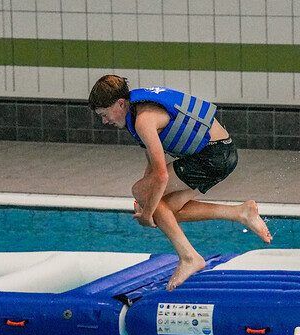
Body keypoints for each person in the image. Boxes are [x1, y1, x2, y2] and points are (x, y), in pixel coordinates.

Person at [88, 75, 272, 290]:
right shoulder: (138, 111)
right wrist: (149, 203)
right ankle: (241, 212)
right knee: (166, 211)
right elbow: (153, 165)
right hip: (221, 153)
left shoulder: (143, 120)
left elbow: (161, 177)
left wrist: (147, 213)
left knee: (140, 191)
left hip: (214, 155)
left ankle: (189, 258)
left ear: (120, 103)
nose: (105, 121)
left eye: (104, 114)